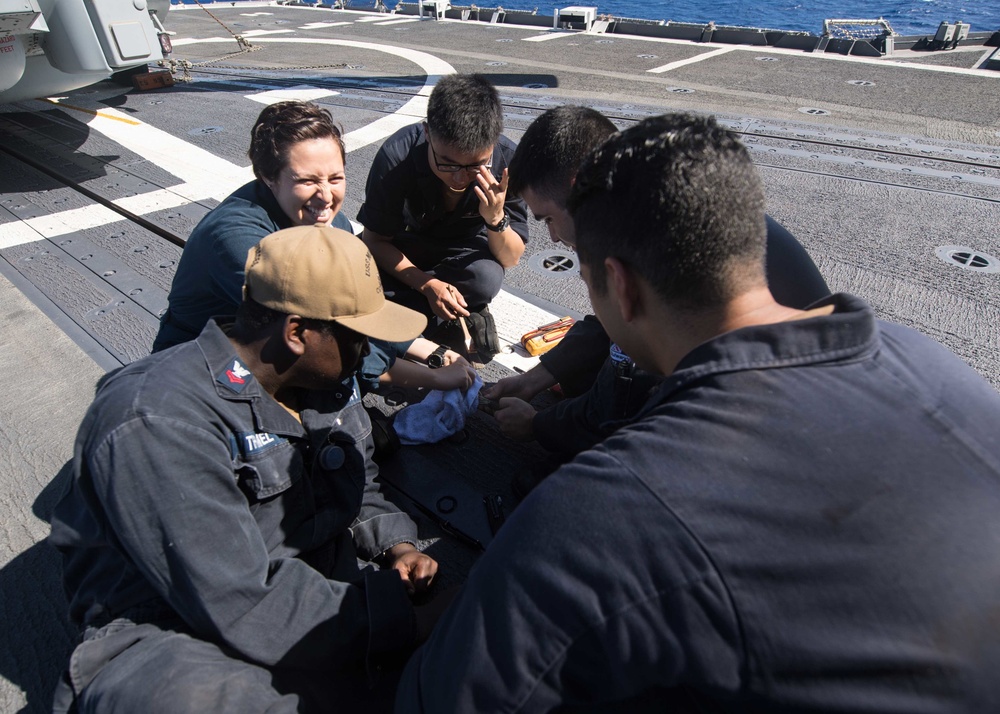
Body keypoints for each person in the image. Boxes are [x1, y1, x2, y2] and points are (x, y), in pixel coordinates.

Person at [395, 114, 1000, 712]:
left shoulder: (608, 509)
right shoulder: (927, 360)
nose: (556, 242)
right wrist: (545, 380)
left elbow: (442, 696)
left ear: (622, 288)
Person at [50, 225, 452, 713]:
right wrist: (403, 621)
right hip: (174, 624)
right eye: (356, 338)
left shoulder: (320, 385)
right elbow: (238, 596)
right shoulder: (157, 420)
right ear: (298, 333)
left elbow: (360, 483)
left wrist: (397, 545)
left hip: (298, 590)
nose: (366, 353)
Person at [486, 105, 831, 464]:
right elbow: (613, 327)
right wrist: (538, 377)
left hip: (774, 436)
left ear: (577, 188)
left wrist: (538, 426)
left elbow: (623, 393)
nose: (554, 238)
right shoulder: (660, 200)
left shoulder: (640, 245)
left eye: (548, 219)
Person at [152, 100, 475, 394]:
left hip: (275, 348)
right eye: (307, 181)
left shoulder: (335, 225)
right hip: (202, 368)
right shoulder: (241, 241)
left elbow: (353, 309)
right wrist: (432, 377)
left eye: (335, 178)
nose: (325, 196)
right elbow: (322, 345)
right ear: (267, 176)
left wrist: (434, 352)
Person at [358, 74, 529, 356]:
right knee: (355, 270)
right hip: (407, 243)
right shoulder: (397, 154)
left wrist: (496, 219)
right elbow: (375, 240)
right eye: (447, 164)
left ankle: (413, 316)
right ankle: (453, 312)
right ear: (427, 133)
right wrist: (427, 285)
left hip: (464, 252)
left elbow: (510, 257)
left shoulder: (507, 161)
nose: (461, 177)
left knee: (485, 278)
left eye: (476, 165)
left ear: (494, 143)